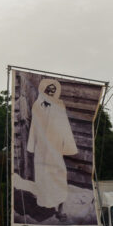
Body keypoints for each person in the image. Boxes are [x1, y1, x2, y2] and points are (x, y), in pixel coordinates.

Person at [26, 78, 77, 218]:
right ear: (43, 90)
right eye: (48, 90)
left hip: (55, 148)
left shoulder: (59, 106)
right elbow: (34, 127)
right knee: (42, 176)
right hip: (41, 149)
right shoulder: (37, 106)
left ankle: (60, 208)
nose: (51, 92)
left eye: (54, 90)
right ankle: (44, 205)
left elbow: (65, 126)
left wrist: (68, 146)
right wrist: (32, 146)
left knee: (59, 176)